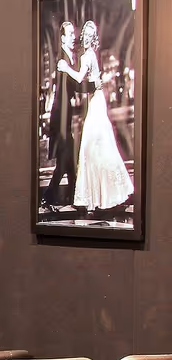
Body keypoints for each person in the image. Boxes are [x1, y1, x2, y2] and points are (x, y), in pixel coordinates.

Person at [71, 19, 134, 214]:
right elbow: (94, 82)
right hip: (96, 100)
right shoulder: (90, 55)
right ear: (83, 37)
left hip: (96, 102)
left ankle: (98, 196)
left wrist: (65, 68)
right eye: (86, 36)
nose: (88, 39)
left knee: (92, 146)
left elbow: (81, 78)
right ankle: (102, 194)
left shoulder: (87, 56)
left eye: (91, 36)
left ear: (93, 38)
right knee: (98, 145)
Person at [43, 19, 77, 210]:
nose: (74, 37)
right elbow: (67, 89)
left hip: (65, 118)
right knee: (65, 162)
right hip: (61, 118)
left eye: (74, 33)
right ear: (63, 37)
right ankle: (48, 198)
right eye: (70, 34)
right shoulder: (63, 59)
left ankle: (74, 198)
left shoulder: (68, 57)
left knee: (69, 161)